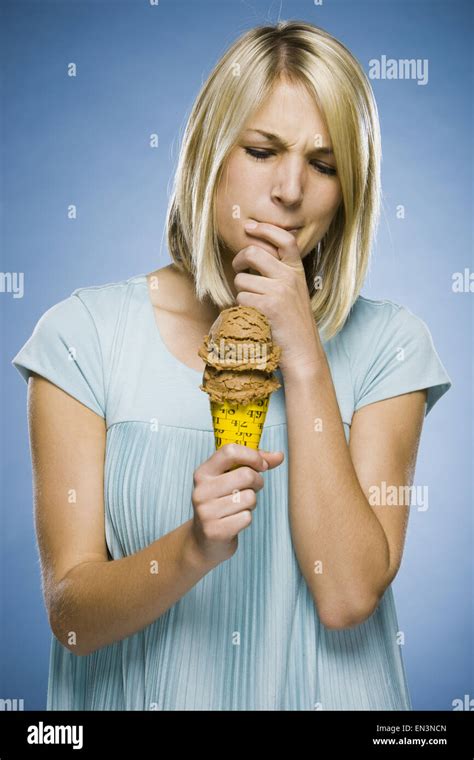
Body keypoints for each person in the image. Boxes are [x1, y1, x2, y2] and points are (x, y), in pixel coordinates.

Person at [12, 21, 452, 710]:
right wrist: (191, 548)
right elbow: (71, 616)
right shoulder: (83, 337)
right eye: (261, 149)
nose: (289, 189)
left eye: (324, 164)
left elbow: (345, 595)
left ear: (347, 194)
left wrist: (303, 353)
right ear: (207, 153)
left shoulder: (390, 345)